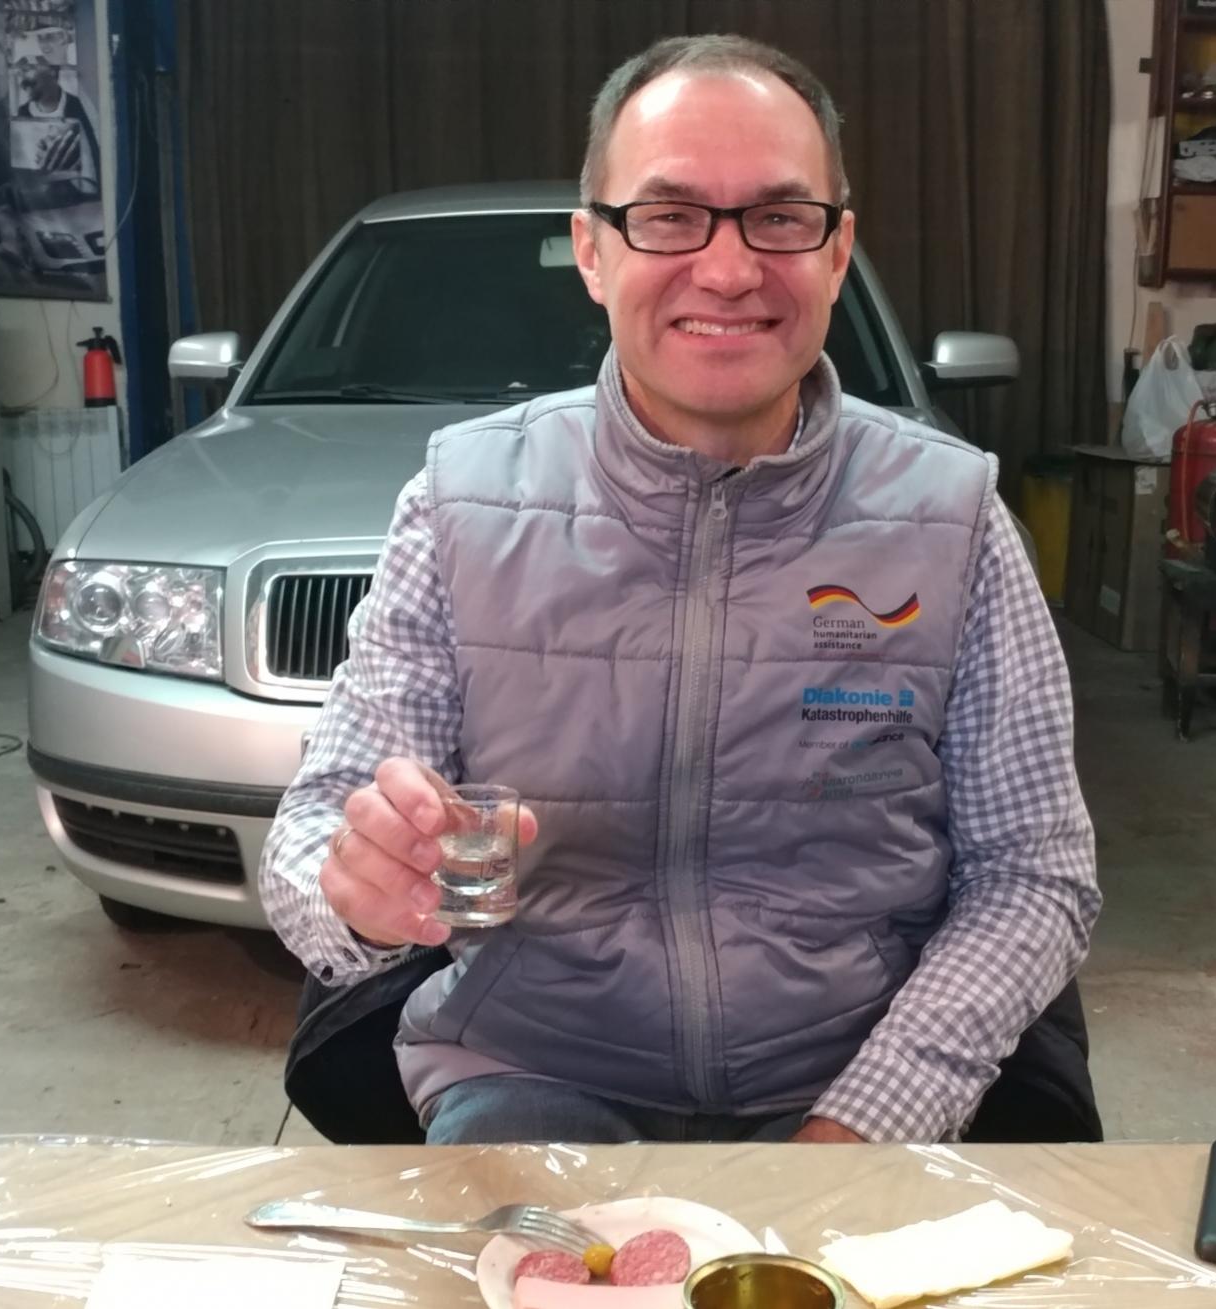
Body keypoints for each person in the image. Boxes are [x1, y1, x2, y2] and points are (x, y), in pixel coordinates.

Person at [261, 34, 1100, 1146]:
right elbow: (314, 827)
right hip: (530, 1074)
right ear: (592, 251)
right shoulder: (460, 503)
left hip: (859, 1077)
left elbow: (1032, 872)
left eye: (781, 217)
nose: (728, 268)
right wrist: (363, 894)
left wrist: (863, 1123)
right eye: (667, 216)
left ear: (837, 252)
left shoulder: (953, 520)